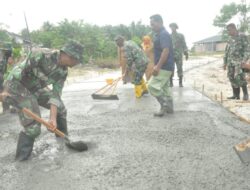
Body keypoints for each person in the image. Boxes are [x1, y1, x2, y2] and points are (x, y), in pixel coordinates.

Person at [0, 40, 86, 161]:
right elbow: (17, 72)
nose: (76, 63)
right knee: (33, 128)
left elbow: (55, 96)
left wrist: (52, 118)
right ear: (66, 54)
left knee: (60, 109)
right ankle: (21, 160)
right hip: (17, 86)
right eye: (75, 59)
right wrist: (5, 90)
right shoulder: (40, 54)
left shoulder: (63, 71)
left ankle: (62, 140)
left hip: (34, 88)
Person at [148, 14, 175, 117]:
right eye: (151, 24)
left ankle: (164, 106)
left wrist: (157, 66)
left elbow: (166, 51)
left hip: (164, 66)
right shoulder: (159, 34)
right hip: (167, 66)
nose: (152, 26)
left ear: (160, 22)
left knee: (151, 86)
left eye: (153, 24)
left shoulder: (163, 34)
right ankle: (170, 108)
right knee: (165, 87)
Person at [223, 23, 249, 100]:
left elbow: (247, 49)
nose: (228, 32)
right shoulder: (229, 39)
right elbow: (227, 51)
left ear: (234, 29)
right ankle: (236, 95)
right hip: (230, 61)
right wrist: (225, 62)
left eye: (229, 30)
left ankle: (245, 94)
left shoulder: (243, 36)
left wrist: (244, 60)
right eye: (227, 30)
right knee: (231, 77)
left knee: (240, 77)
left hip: (239, 61)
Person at [169, 23, 188, 87]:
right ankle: (170, 82)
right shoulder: (169, 36)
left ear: (176, 27)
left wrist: (186, 52)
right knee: (171, 68)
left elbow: (184, 44)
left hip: (179, 55)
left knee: (180, 68)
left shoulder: (180, 35)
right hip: (171, 55)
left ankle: (180, 82)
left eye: (173, 27)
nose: (172, 28)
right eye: (171, 27)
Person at [0, 42, 14, 113]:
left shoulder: (5, 56)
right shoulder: (2, 55)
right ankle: (6, 108)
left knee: (4, 91)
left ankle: (6, 108)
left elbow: (11, 63)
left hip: (2, 76)